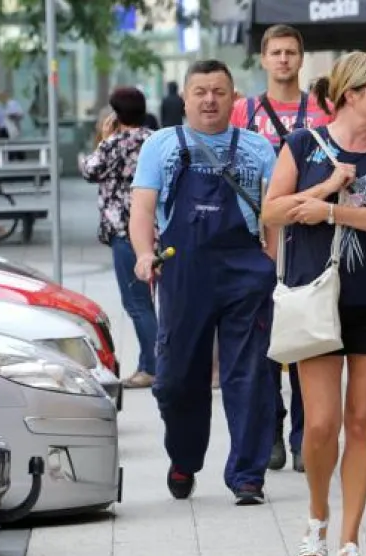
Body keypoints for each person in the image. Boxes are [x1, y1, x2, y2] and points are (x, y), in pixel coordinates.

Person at [262, 51, 366, 556]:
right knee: (323, 423)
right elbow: (273, 210)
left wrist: (327, 211)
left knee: (364, 420)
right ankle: (317, 516)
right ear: (352, 94)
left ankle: (350, 536)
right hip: (315, 298)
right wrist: (328, 185)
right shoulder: (305, 143)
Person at [129, 59, 278, 506]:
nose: (209, 99)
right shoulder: (160, 145)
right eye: (200, 91)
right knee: (175, 380)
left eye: (219, 91)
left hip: (246, 274)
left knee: (249, 375)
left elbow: (273, 212)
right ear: (186, 98)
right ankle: (184, 457)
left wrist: (272, 260)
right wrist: (142, 254)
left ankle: (247, 475)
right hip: (181, 270)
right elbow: (141, 208)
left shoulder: (258, 148)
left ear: (234, 98)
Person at [230, 24, 332, 474]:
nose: (284, 59)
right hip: (256, 243)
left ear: (301, 58)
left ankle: (304, 438)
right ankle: (270, 429)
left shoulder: (322, 111)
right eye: (276, 52)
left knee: (308, 341)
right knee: (265, 346)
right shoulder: (243, 111)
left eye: (291, 52)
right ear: (263, 59)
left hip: (309, 241)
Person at [79, 87, 158, 389]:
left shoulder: (112, 144)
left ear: (115, 113)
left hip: (125, 232)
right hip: (155, 229)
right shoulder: (154, 140)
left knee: (137, 303)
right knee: (152, 301)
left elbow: (89, 170)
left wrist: (102, 135)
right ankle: (159, 361)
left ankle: (152, 366)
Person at [0, 91, 25, 159]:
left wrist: (12, 116)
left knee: (17, 146)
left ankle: (19, 159)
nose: (1, 97)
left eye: (3, 95)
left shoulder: (13, 103)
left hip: (13, 128)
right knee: (5, 148)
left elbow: (21, 115)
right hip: (2, 130)